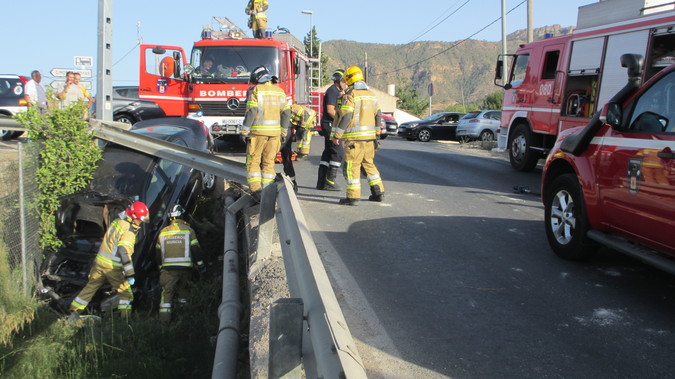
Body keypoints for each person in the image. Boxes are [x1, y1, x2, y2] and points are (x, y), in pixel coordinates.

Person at [68, 201, 150, 321]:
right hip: (112, 268)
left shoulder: (117, 222)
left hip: (99, 263)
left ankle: (72, 313)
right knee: (126, 294)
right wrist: (130, 273)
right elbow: (123, 252)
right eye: (139, 219)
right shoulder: (129, 231)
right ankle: (125, 321)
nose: (141, 222)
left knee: (90, 288)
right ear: (133, 217)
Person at [331, 66, 384, 206]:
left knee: (351, 167)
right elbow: (378, 115)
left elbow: (347, 115)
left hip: (354, 140)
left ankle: (352, 197)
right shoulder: (372, 95)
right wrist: (377, 134)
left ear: (349, 79)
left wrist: (337, 135)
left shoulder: (350, 95)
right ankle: (378, 192)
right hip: (370, 139)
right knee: (369, 165)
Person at [241, 65, 290, 198]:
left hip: (257, 133)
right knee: (269, 163)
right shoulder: (280, 91)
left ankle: (256, 191)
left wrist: (244, 131)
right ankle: (267, 192)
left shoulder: (256, 90)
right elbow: (286, 113)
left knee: (253, 161)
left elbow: (252, 111)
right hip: (275, 134)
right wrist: (284, 133)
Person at [156, 204, 205, 322]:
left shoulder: (163, 232)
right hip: (186, 269)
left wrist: (159, 266)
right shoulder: (188, 230)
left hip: (167, 270)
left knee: (167, 295)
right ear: (181, 215)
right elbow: (196, 249)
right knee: (184, 291)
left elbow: (157, 252)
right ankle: (183, 319)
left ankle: (164, 323)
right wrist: (201, 265)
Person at [317, 69, 347, 191]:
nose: (346, 83)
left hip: (329, 124)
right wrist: (340, 121)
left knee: (328, 152)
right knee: (337, 152)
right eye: (344, 81)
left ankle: (322, 181)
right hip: (330, 124)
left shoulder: (337, 91)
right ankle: (330, 181)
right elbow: (330, 110)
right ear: (339, 81)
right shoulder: (333, 91)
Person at [280, 103, 316, 192]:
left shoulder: (291, 108)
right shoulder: (288, 106)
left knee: (270, 158)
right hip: (288, 128)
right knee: (286, 156)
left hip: (283, 129)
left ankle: (292, 184)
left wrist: (301, 127)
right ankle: (293, 183)